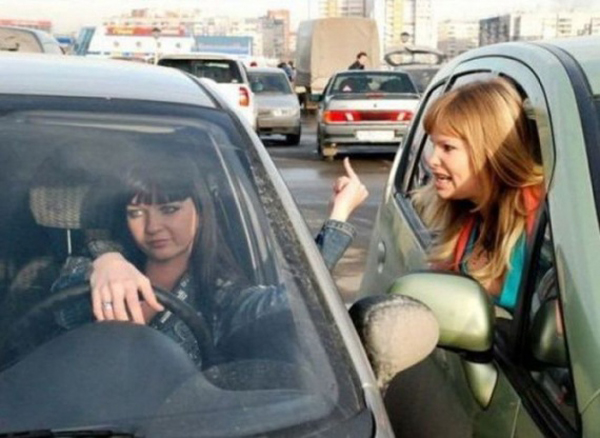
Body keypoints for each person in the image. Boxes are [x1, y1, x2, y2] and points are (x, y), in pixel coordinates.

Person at [52, 153, 367, 365]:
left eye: (169, 209)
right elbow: (57, 312)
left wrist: (339, 215)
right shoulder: (94, 269)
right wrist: (106, 263)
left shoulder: (221, 296)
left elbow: (295, 298)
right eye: (136, 213)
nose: (152, 227)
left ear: (200, 212)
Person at [414, 77, 544, 310]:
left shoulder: (546, 228)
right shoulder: (464, 216)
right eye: (433, 145)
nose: (432, 160)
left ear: (490, 152)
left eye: (447, 147)